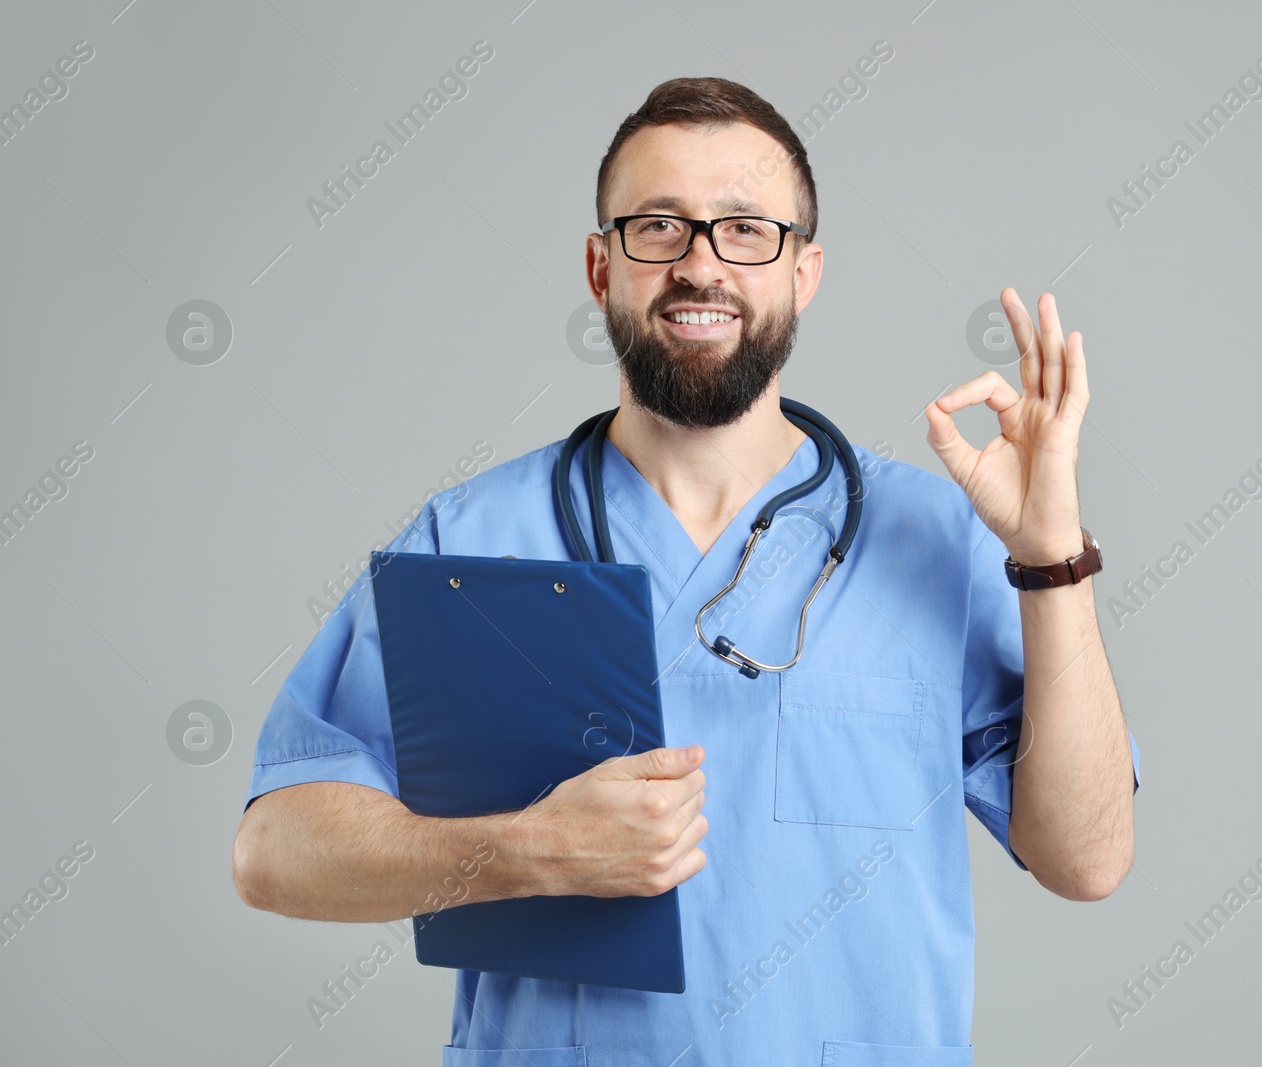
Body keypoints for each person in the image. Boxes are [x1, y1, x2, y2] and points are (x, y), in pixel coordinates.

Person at [232, 76, 1141, 1066]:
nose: (700, 264)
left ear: (805, 270)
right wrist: (528, 848)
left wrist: (1050, 552)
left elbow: (1086, 857)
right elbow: (276, 849)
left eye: (746, 229)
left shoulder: (936, 537)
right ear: (600, 267)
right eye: (658, 227)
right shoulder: (473, 539)